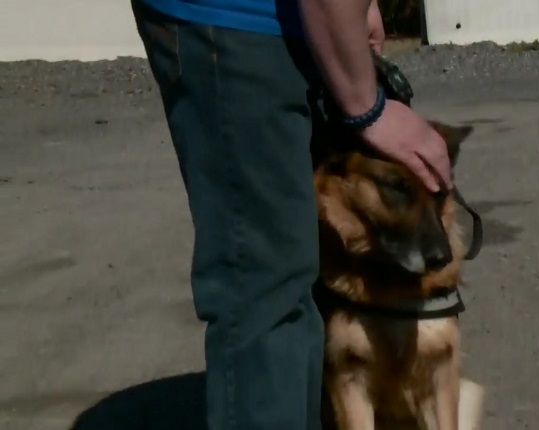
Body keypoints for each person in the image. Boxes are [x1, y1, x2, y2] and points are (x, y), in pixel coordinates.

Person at [130, 0, 453, 428]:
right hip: (232, 26)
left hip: (281, 23)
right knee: (265, 291)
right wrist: (367, 107)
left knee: (292, 278)